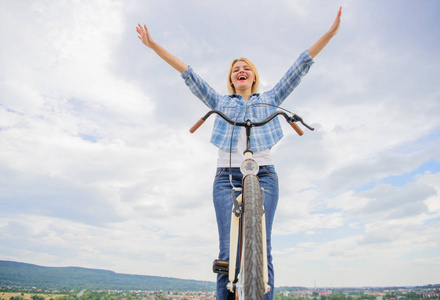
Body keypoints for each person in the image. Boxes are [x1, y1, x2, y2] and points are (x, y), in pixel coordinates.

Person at [137, 7, 341, 300]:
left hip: (265, 174)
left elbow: (300, 66)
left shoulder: (270, 99)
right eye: (236, 70)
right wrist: (153, 45)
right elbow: (188, 74)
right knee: (227, 248)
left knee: (263, 246)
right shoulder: (220, 101)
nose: (241, 71)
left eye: (246, 68)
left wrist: (330, 33)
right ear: (231, 80)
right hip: (225, 176)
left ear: (254, 77)